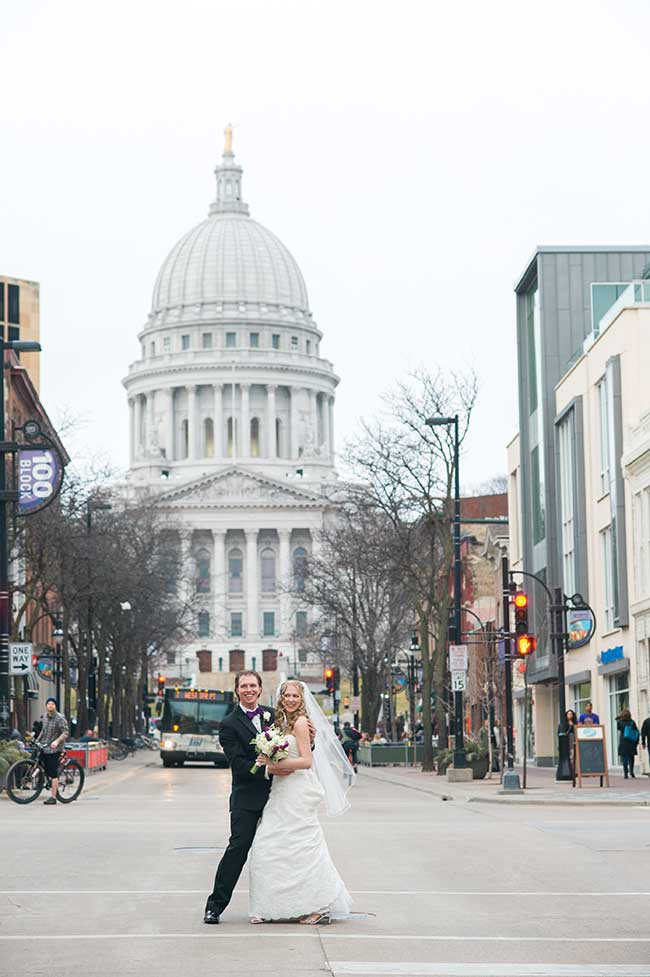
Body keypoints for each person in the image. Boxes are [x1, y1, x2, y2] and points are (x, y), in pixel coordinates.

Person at [203, 671, 315, 925]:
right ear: (237, 690)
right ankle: (215, 906)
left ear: (260, 688)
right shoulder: (229, 724)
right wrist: (269, 769)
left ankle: (286, 903)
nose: (249, 690)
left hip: (281, 796)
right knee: (238, 848)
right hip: (247, 799)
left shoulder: (274, 715)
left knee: (282, 851)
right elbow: (238, 764)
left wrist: (312, 737)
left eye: (253, 685)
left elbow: (296, 746)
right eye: (244, 686)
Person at [248, 680, 354, 924]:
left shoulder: (301, 723)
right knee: (268, 846)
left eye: (296, 696)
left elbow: (307, 761)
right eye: (287, 695)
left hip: (297, 791)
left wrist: (274, 765)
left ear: (302, 699)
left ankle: (319, 905)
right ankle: (267, 906)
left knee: (303, 848)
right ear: (281, 698)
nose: (291, 699)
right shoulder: (279, 723)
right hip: (280, 791)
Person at [35, 697, 69, 805]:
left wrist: (57, 741)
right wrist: (37, 740)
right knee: (36, 760)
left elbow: (65, 732)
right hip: (45, 745)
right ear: (46, 706)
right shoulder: (44, 716)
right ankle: (41, 781)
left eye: (52, 704)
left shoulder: (60, 718)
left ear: (55, 706)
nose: (50, 705)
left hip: (55, 748)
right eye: (48, 704)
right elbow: (43, 731)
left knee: (53, 773)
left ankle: (53, 797)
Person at [617, 707, 639, 779]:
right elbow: (636, 731)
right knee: (631, 757)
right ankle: (632, 771)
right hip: (631, 741)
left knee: (624, 758)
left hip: (623, 741)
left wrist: (619, 718)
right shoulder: (632, 722)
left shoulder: (620, 722)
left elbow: (618, 728)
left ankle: (625, 773)